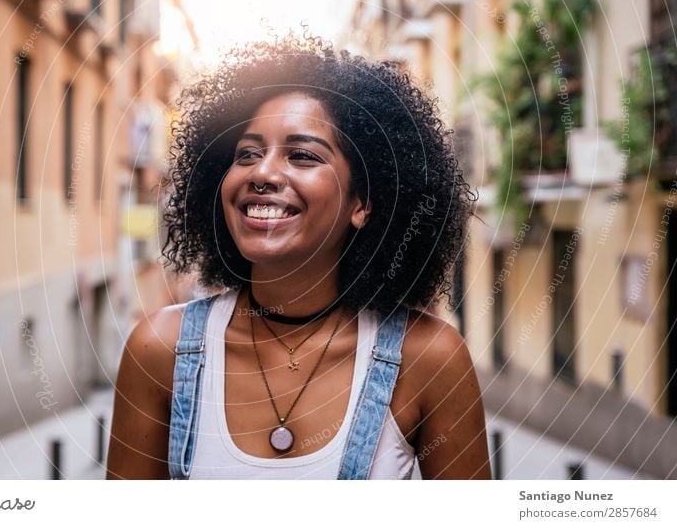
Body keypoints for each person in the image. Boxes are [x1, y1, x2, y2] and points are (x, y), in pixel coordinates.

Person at [106, 32, 491, 480]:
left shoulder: (429, 358)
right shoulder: (161, 351)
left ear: (362, 203)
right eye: (247, 153)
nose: (264, 172)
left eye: (303, 155)